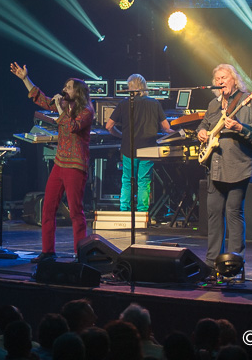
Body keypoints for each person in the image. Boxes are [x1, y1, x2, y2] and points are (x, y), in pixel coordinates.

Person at [10, 62, 93, 261]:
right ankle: (48, 252)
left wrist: (59, 108)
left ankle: (80, 253)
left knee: (75, 211)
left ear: (78, 92)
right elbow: (41, 99)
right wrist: (25, 79)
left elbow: (72, 126)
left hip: (75, 166)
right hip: (60, 163)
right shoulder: (63, 105)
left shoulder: (87, 110)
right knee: (47, 208)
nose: (64, 90)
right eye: (64, 86)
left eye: (68, 87)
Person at [196, 64, 252, 273]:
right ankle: (212, 263)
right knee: (214, 214)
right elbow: (204, 124)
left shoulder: (249, 101)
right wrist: (201, 132)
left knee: (234, 213)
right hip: (215, 166)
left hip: (239, 166)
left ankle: (234, 263)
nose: (220, 81)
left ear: (234, 80)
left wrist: (240, 127)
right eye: (217, 79)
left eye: (224, 77)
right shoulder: (213, 104)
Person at [104, 74, 171, 213]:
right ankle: (142, 213)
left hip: (129, 148)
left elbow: (108, 126)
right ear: (144, 87)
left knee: (127, 180)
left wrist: (121, 135)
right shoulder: (155, 103)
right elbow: (166, 127)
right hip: (148, 149)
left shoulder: (124, 103)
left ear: (130, 87)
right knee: (144, 181)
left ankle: (124, 210)